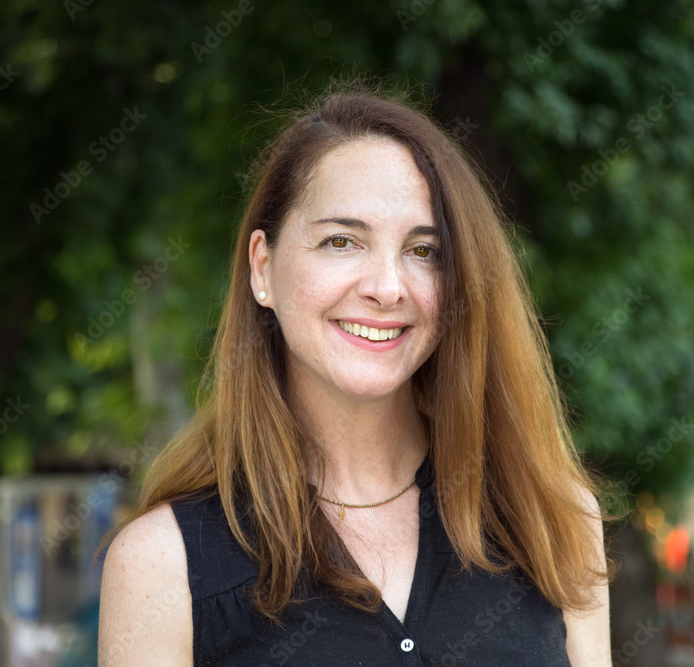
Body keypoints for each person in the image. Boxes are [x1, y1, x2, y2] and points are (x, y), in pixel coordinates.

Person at [97, 80, 622, 666]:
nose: (386, 288)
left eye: (424, 251)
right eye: (342, 241)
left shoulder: (553, 519)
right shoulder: (162, 566)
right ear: (262, 268)